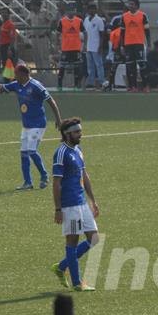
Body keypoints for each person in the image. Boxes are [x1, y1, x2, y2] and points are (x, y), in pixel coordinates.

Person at [0, 65, 62, 190]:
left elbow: (51, 101)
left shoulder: (36, 86)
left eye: (16, 74)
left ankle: (44, 175)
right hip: (26, 125)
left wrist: (58, 119)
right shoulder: (16, 85)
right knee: (23, 153)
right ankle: (28, 183)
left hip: (38, 124)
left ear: (24, 74)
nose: (14, 76)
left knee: (31, 151)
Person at [50, 117, 99, 292]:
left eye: (80, 131)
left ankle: (61, 266)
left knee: (94, 238)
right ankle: (77, 283)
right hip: (69, 205)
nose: (80, 134)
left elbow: (84, 176)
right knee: (72, 241)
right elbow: (56, 183)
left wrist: (93, 200)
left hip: (82, 202)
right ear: (67, 134)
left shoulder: (78, 150)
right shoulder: (61, 152)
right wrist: (58, 209)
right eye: (77, 132)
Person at [119, 0, 150, 92]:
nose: (130, 6)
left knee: (142, 65)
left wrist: (148, 44)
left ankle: (146, 86)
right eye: (129, 4)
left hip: (139, 44)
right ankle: (133, 87)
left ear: (136, 5)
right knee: (130, 66)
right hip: (128, 44)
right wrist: (121, 46)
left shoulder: (143, 15)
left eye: (132, 4)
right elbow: (122, 33)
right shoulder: (124, 16)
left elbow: (147, 31)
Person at [56, 4, 85, 91]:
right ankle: (59, 85)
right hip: (66, 48)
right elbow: (57, 34)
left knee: (76, 67)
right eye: (70, 10)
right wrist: (57, 45)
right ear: (67, 11)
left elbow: (85, 32)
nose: (72, 12)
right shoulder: (62, 21)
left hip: (76, 48)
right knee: (62, 67)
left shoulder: (79, 21)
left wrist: (85, 45)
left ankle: (76, 85)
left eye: (73, 10)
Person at [25, 0, 52, 72]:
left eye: (32, 5)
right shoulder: (31, 13)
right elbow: (28, 23)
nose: (31, 7)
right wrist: (28, 37)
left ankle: (47, 73)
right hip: (34, 38)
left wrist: (47, 31)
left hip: (42, 37)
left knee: (44, 57)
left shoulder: (45, 12)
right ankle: (39, 73)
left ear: (37, 5)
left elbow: (51, 22)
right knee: (36, 57)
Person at [83, 3, 106, 89]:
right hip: (88, 46)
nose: (91, 11)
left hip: (96, 46)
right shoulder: (86, 20)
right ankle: (91, 82)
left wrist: (100, 46)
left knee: (99, 65)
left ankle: (102, 81)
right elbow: (85, 33)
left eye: (93, 9)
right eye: (90, 9)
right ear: (88, 10)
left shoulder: (99, 20)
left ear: (96, 10)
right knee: (90, 66)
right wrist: (85, 45)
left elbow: (102, 34)